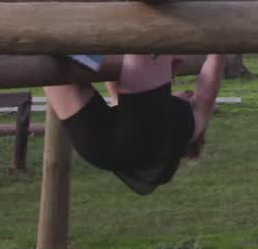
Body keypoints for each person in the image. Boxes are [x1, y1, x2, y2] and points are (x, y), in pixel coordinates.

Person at [42, 53, 226, 194]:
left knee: (152, 41)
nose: (187, 93)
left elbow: (208, 89)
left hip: (133, 139)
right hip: (100, 150)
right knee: (49, 61)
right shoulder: (172, 132)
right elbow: (119, 89)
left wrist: (219, 47)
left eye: (188, 93)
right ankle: (80, 53)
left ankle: (87, 54)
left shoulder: (196, 119)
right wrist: (162, 77)